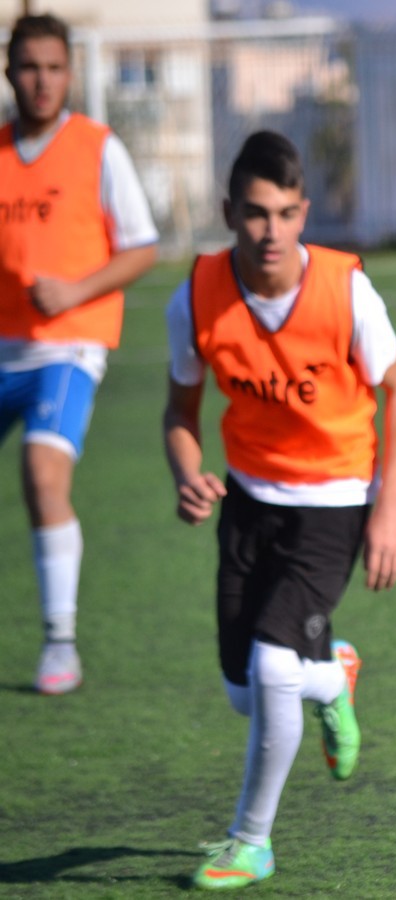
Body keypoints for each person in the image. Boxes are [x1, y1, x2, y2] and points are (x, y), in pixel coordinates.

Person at [162, 130, 396, 891]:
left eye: (283, 213)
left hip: (334, 503)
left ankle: (252, 841)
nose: (269, 231)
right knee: (246, 693)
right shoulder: (197, 295)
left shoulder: (346, 289)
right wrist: (187, 473)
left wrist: (389, 505)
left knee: (273, 668)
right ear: (228, 214)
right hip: (248, 502)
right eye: (254, 213)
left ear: (303, 212)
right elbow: (180, 412)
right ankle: (333, 676)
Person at [0, 13, 159, 695]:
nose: (42, 81)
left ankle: (59, 641)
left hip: (67, 349)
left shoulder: (97, 148)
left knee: (43, 475)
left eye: (54, 68)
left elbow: (142, 247)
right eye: (29, 67)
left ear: (71, 73)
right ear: (9, 72)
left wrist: (75, 291)